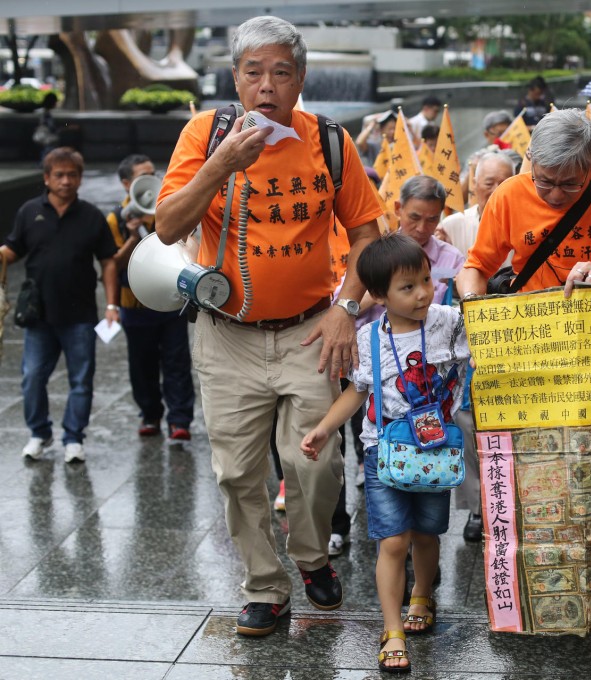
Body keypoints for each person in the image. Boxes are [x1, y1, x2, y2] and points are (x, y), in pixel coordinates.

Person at [155, 16, 383, 637]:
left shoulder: (330, 141)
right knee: (236, 473)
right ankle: (265, 586)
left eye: (281, 73)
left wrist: (346, 306)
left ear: (300, 80)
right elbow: (168, 226)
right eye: (253, 72)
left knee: (313, 462)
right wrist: (219, 166)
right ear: (235, 79)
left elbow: (366, 232)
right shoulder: (206, 135)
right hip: (226, 334)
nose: (266, 86)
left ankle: (311, 557)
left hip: (313, 332)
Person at [301, 233, 471, 673]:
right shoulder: (368, 339)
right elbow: (356, 393)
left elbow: (492, 337)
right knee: (393, 540)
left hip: (435, 450)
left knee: (427, 535)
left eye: (426, 281)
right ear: (379, 296)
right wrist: (324, 429)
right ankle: (392, 630)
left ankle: (422, 596)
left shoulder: (450, 322)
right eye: (407, 287)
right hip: (384, 452)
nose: (422, 294)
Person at [456, 108, 591, 299]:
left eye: (569, 184)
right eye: (544, 181)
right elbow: (476, 268)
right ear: (532, 162)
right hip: (534, 324)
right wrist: (471, 300)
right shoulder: (508, 195)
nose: (555, 195)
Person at [0, 147, 119, 463]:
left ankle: (73, 438)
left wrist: (111, 305)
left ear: (80, 179)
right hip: (38, 314)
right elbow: (12, 250)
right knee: (32, 377)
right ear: (46, 178)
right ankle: (39, 433)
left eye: (72, 175)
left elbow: (108, 262)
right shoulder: (29, 211)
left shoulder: (92, 216)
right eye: (59, 175)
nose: (66, 181)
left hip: (80, 314)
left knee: (81, 379)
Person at [106, 154, 195, 440]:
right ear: (126, 184)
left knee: (177, 361)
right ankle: (150, 414)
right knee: (141, 365)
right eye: (142, 176)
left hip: (169, 300)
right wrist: (132, 237)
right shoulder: (114, 219)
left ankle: (180, 419)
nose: (152, 179)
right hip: (134, 304)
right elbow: (112, 264)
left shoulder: (166, 210)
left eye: (152, 173)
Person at [361, 176, 464, 323]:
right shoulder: (374, 255)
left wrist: (456, 288)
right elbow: (342, 308)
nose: (422, 228)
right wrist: (382, 289)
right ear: (398, 209)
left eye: (432, 219)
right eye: (414, 217)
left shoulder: (452, 259)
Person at [437, 152, 515, 256]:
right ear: (474, 184)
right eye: (489, 184)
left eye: (504, 184)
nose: (496, 190)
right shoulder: (451, 227)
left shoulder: (527, 223)